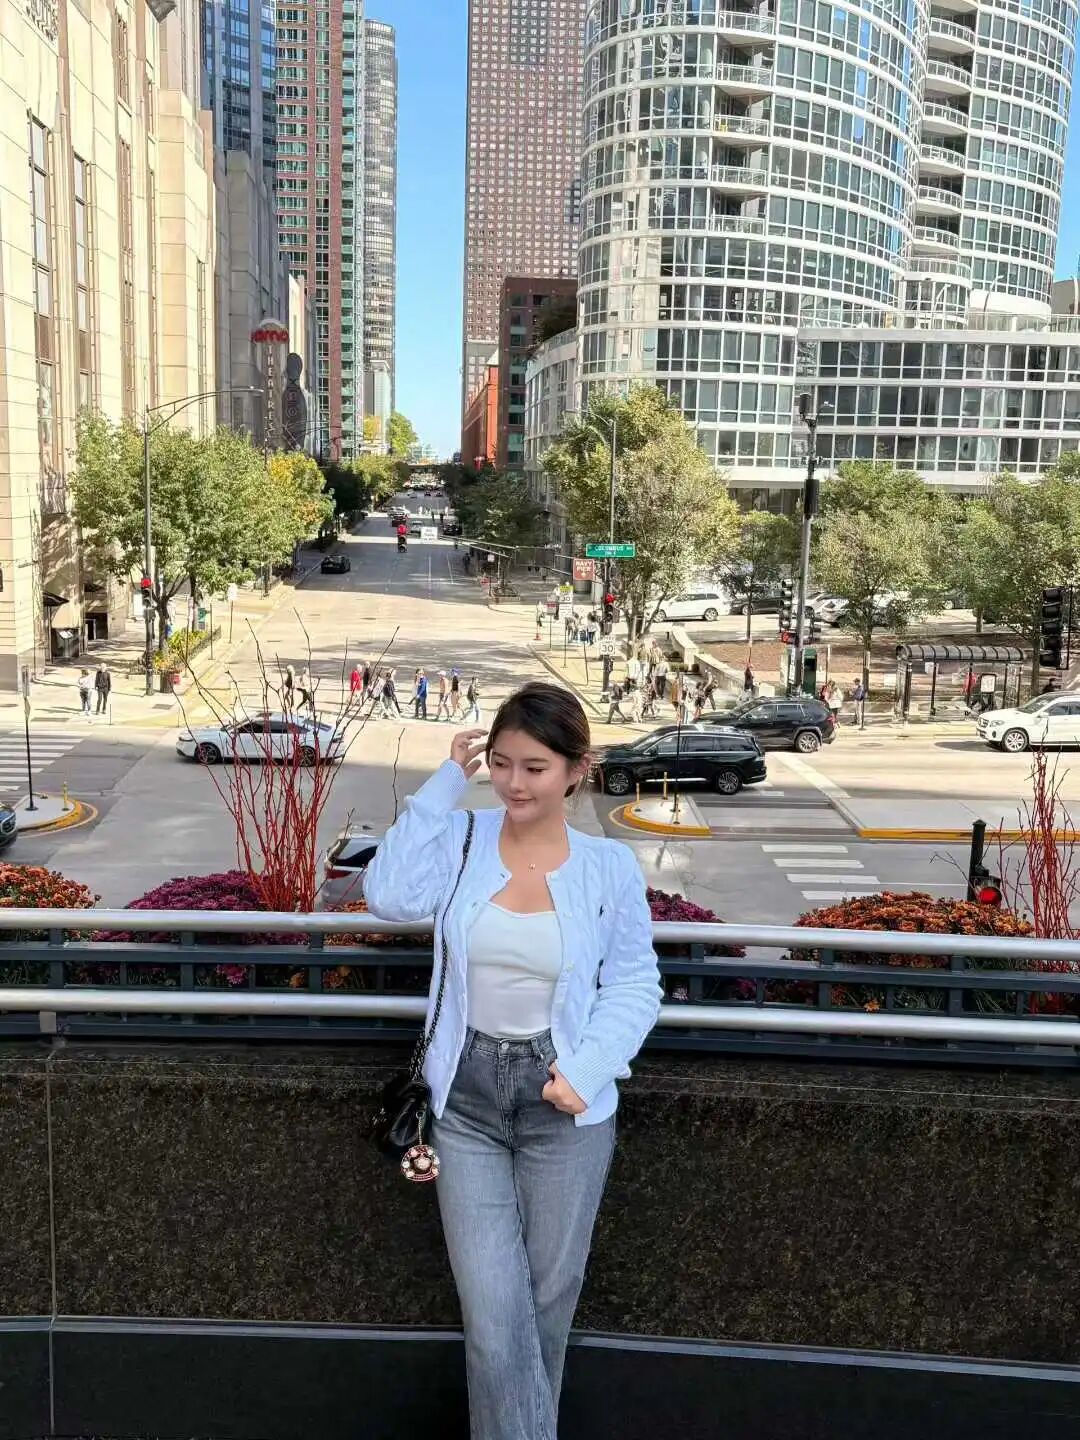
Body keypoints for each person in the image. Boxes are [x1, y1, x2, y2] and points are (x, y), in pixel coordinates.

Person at [363, 683, 661, 1440]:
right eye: (500, 763)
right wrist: (444, 783)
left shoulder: (607, 867)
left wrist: (587, 1069)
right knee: (497, 1320)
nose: (513, 783)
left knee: (546, 1310)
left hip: (564, 1106)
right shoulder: (463, 841)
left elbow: (635, 983)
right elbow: (387, 895)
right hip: (464, 1104)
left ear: (576, 769)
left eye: (534, 767)